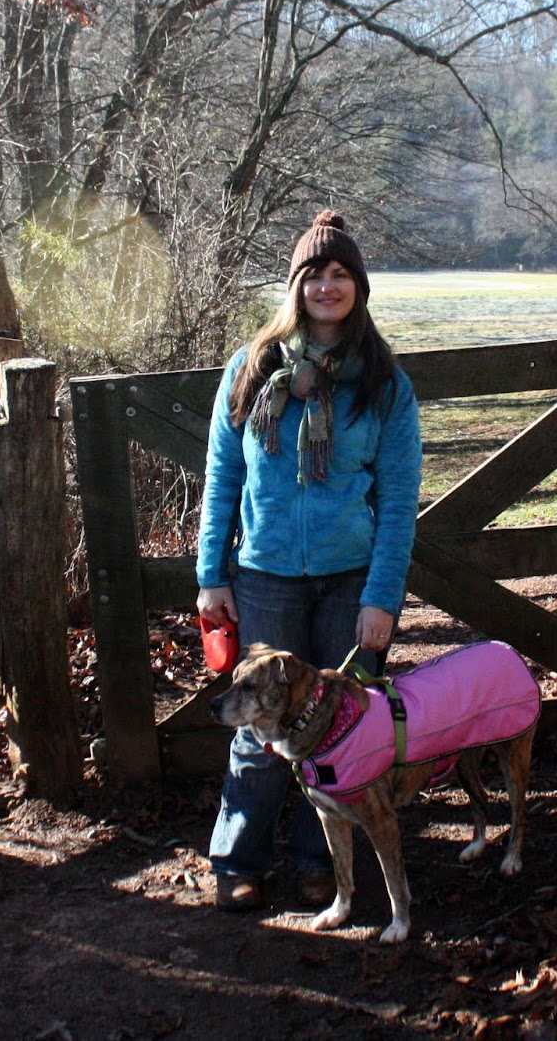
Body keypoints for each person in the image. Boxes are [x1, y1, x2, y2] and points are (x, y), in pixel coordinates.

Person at [196, 210, 422, 913]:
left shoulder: (384, 384)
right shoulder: (250, 369)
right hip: (264, 577)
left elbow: (399, 501)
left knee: (345, 728)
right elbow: (222, 479)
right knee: (257, 725)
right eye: (314, 274)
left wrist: (382, 597)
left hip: (350, 579)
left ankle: (321, 861)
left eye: (341, 274)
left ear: (359, 288)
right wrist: (211, 575)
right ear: (294, 286)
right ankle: (239, 859)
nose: (328, 286)